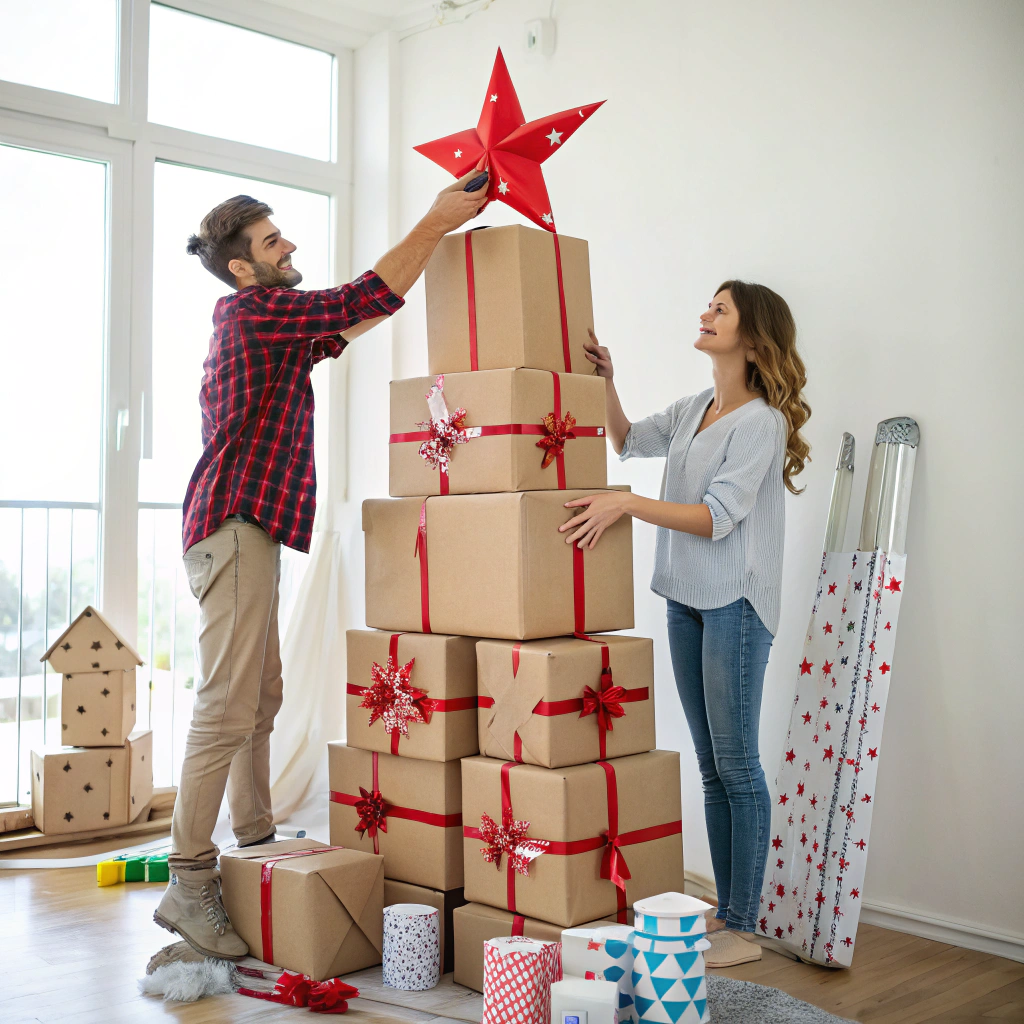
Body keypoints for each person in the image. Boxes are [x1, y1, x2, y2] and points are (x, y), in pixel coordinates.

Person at [153, 172, 489, 959]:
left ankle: (256, 840)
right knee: (227, 704)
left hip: (245, 532)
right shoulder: (256, 312)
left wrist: (415, 253)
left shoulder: (264, 320)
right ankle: (190, 882)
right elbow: (359, 296)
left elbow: (355, 316)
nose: (289, 245)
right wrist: (435, 222)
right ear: (244, 267)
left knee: (260, 696)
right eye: (274, 242)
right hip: (233, 529)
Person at [559, 281, 810, 968]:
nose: (705, 313)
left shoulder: (761, 422)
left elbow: (716, 517)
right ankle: (728, 918)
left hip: (734, 603)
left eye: (721, 309)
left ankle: (744, 925)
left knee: (736, 764)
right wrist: (608, 383)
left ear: (753, 338)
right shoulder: (698, 405)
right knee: (710, 766)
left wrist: (626, 506)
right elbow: (627, 439)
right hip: (685, 598)